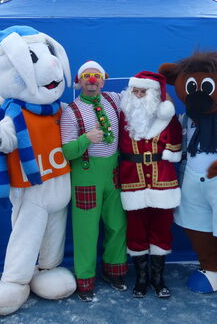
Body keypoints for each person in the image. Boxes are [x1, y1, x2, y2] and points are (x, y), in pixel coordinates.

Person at [60, 60, 127, 302]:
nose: (92, 80)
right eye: (87, 76)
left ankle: (114, 271)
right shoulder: (71, 111)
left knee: (117, 225)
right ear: (78, 81)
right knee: (86, 231)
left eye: (96, 76)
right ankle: (85, 279)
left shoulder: (114, 100)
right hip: (85, 175)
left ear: (103, 80)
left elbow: (143, 95)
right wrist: (86, 139)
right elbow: (67, 152)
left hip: (113, 173)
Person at [118, 71, 182, 298]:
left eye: (142, 91)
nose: (137, 95)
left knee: (161, 229)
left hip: (162, 180)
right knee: (135, 230)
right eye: (134, 91)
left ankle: (158, 279)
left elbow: (176, 142)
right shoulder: (123, 116)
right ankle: (142, 279)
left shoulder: (167, 118)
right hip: (132, 180)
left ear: (153, 94)